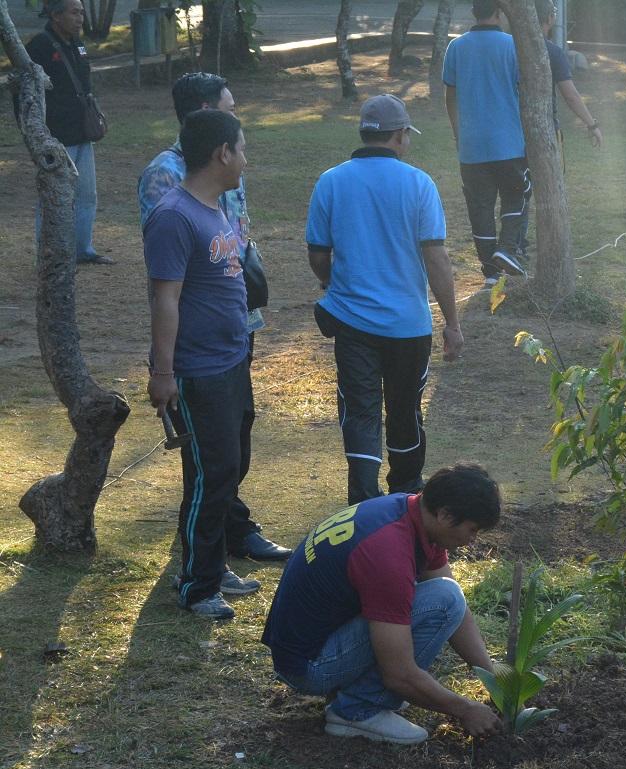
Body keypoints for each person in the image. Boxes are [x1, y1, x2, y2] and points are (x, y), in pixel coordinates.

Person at [138, 71, 292, 566]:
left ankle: (228, 530)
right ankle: (207, 556)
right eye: (228, 106)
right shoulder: (168, 179)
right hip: (198, 342)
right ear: (207, 114)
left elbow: (236, 236)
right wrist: (164, 368)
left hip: (233, 327)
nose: (237, 112)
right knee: (211, 454)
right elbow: (170, 273)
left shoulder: (224, 171)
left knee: (232, 445)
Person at [261, 464, 505, 745]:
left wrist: (492, 678)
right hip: (309, 667)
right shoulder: (389, 554)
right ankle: (356, 710)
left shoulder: (409, 511)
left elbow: (457, 609)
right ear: (445, 515)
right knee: (442, 601)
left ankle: (356, 690)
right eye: (472, 530)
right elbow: (398, 673)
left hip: (310, 643)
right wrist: (465, 709)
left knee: (446, 595)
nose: (472, 540)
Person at [306, 94, 463, 506]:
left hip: (353, 324)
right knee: (406, 410)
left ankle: (361, 501)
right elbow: (436, 257)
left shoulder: (331, 181)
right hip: (408, 327)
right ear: (399, 136)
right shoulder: (418, 184)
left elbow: (318, 255)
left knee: (360, 412)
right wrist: (453, 321)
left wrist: (331, 282)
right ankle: (407, 495)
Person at [145, 110, 255, 620]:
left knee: (220, 471)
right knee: (214, 475)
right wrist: (163, 373)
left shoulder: (212, 208)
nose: (246, 158)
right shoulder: (174, 215)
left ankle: (210, 567)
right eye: (241, 147)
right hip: (198, 370)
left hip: (229, 360)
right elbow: (165, 299)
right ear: (221, 154)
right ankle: (196, 584)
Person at [443, 0, 530, 287]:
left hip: (471, 146)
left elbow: (450, 97)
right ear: (499, 13)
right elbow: (525, 91)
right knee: (517, 194)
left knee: (479, 206)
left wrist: (458, 135)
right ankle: (506, 249)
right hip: (509, 142)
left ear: (473, 13)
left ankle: (490, 272)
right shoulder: (512, 46)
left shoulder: (456, 47)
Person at [24, 0, 111, 264]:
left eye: (82, 12)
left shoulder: (79, 45)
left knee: (86, 195)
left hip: (83, 134)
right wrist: (36, 133)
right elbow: (25, 92)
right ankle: (48, 254)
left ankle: (82, 249)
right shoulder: (38, 47)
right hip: (55, 138)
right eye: (74, 12)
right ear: (55, 15)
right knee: (53, 197)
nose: (80, 18)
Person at [535, 0, 602, 150]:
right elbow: (571, 96)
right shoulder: (553, 52)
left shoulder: (510, 47)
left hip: (512, 133)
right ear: (550, 17)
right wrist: (592, 125)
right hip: (545, 132)